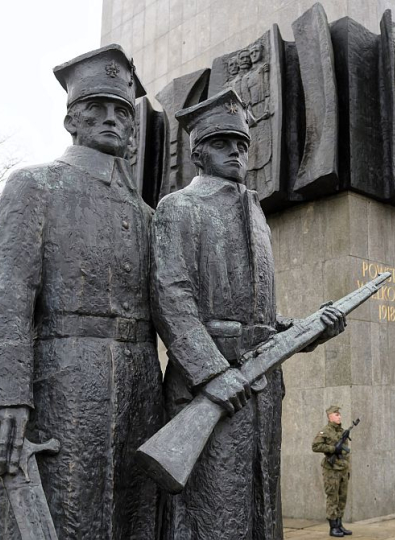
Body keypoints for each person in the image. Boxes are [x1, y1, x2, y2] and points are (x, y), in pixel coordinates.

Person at [0, 44, 162, 538]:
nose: (110, 120)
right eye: (95, 110)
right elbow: (7, 295)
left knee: (134, 515)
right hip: (62, 376)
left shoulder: (148, 216)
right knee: (66, 512)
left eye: (121, 112)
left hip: (142, 380)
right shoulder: (33, 185)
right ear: (71, 122)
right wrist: (6, 395)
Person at [151, 88, 345, 540]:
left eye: (241, 144)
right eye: (223, 143)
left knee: (261, 510)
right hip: (213, 386)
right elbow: (172, 300)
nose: (236, 152)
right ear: (199, 153)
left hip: (260, 389)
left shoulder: (256, 214)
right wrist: (212, 373)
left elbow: (261, 316)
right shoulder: (179, 207)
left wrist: (307, 330)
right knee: (214, 514)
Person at [312, 405, 353, 537]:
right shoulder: (325, 431)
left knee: (342, 498)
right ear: (330, 417)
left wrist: (348, 468)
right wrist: (332, 449)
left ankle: (340, 524)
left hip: (343, 469)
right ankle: (333, 527)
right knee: (332, 498)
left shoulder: (341, 431)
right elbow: (315, 446)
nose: (339, 416)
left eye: (339, 414)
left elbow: (346, 452)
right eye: (336, 414)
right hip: (331, 470)